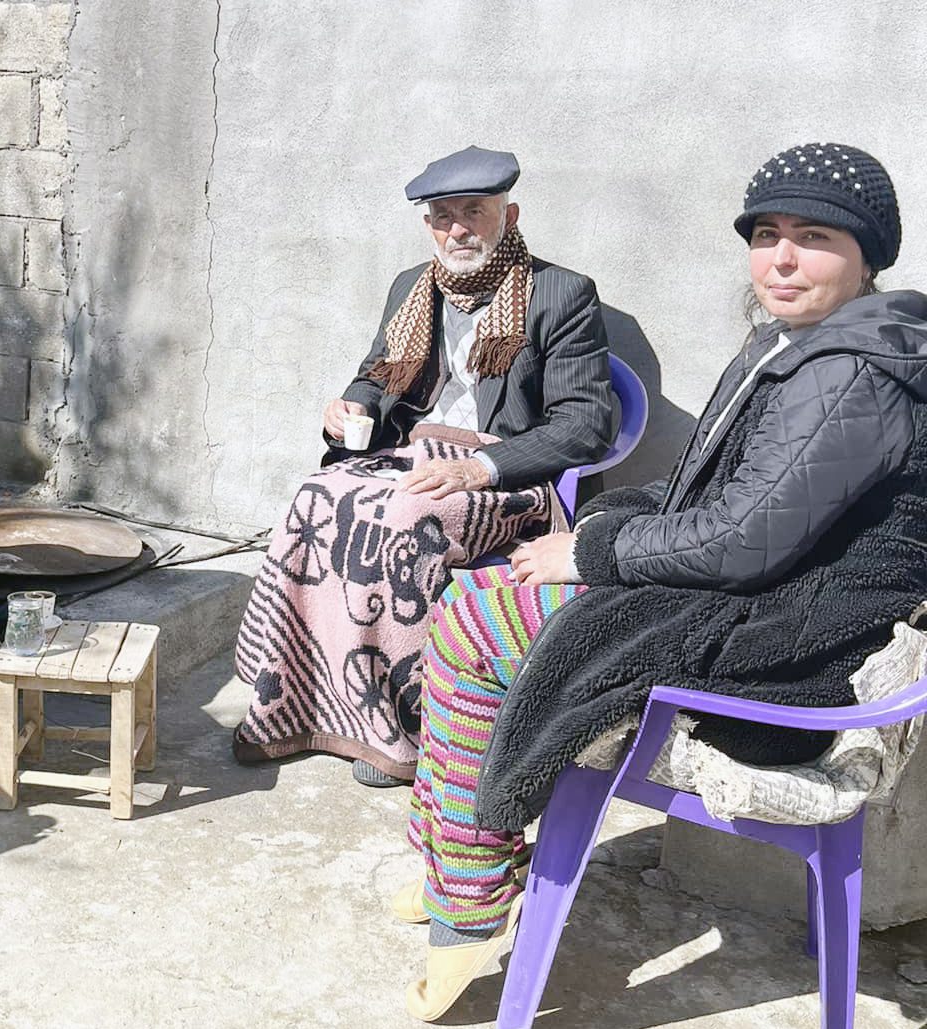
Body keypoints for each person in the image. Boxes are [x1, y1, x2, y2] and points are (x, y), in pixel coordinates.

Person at [398, 142, 927, 1021]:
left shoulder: (852, 374)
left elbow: (747, 540)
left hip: (792, 636)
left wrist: (595, 552)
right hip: (772, 593)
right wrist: (613, 523)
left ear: (867, 253)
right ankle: (460, 851)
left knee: (476, 625)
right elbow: (723, 494)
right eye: (766, 234)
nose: (782, 259)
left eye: (814, 237)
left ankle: (470, 897)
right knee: (475, 604)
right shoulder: (802, 344)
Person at [232, 146, 615, 788]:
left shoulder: (561, 293)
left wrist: (485, 466)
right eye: (442, 217)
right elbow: (377, 379)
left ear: (509, 215)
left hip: (507, 475)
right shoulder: (412, 287)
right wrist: (351, 406)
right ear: (428, 224)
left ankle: (401, 727)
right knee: (313, 497)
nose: (457, 229)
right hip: (415, 454)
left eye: (474, 212)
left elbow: (585, 424)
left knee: (406, 516)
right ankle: (292, 701)